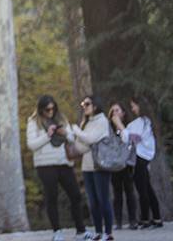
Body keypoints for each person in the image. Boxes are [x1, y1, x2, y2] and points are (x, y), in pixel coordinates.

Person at [26, 95, 86, 241]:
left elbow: (72, 138)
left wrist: (65, 133)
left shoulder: (62, 119)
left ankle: (81, 231)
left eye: (53, 108)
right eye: (47, 109)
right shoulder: (34, 122)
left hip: (64, 162)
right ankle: (57, 232)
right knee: (51, 197)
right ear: (41, 109)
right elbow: (32, 145)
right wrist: (48, 135)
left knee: (75, 195)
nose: (50, 111)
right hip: (45, 165)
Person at [71, 96, 114, 241]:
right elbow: (80, 147)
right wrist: (81, 127)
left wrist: (76, 130)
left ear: (95, 106)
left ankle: (108, 234)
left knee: (103, 200)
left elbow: (90, 139)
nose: (84, 106)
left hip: (100, 166)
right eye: (83, 103)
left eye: (87, 104)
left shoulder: (102, 121)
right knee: (93, 202)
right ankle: (98, 232)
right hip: (87, 167)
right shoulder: (87, 122)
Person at [116, 97, 163, 229]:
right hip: (143, 156)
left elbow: (133, 138)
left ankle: (145, 219)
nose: (132, 109)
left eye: (134, 106)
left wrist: (119, 124)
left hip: (142, 156)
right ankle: (157, 217)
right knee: (147, 187)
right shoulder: (143, 122)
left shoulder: (143, 122)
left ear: (140, 106)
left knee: (142, 188)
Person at [107, 103, 138, 230]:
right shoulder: (108, 129)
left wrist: (120, 125)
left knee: (130, 191)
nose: (115, 113)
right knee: (117, 193)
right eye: (112, 111)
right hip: (114, 164)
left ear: (123, 113)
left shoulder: (129, 127)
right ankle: (118, 221)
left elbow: (129, 140)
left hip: (127, 163)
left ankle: (133, 220)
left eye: (117, 110)